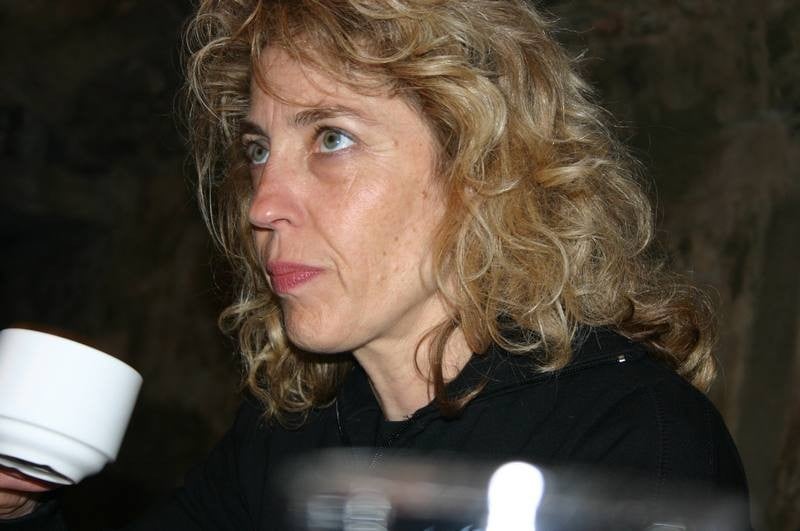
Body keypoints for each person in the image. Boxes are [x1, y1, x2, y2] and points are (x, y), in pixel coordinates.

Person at [0, 0, 751, 529]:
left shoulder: (629, 446)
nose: (263, 203)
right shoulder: (291, 434)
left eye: (331, 138)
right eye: (258, 148)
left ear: (480, 166)